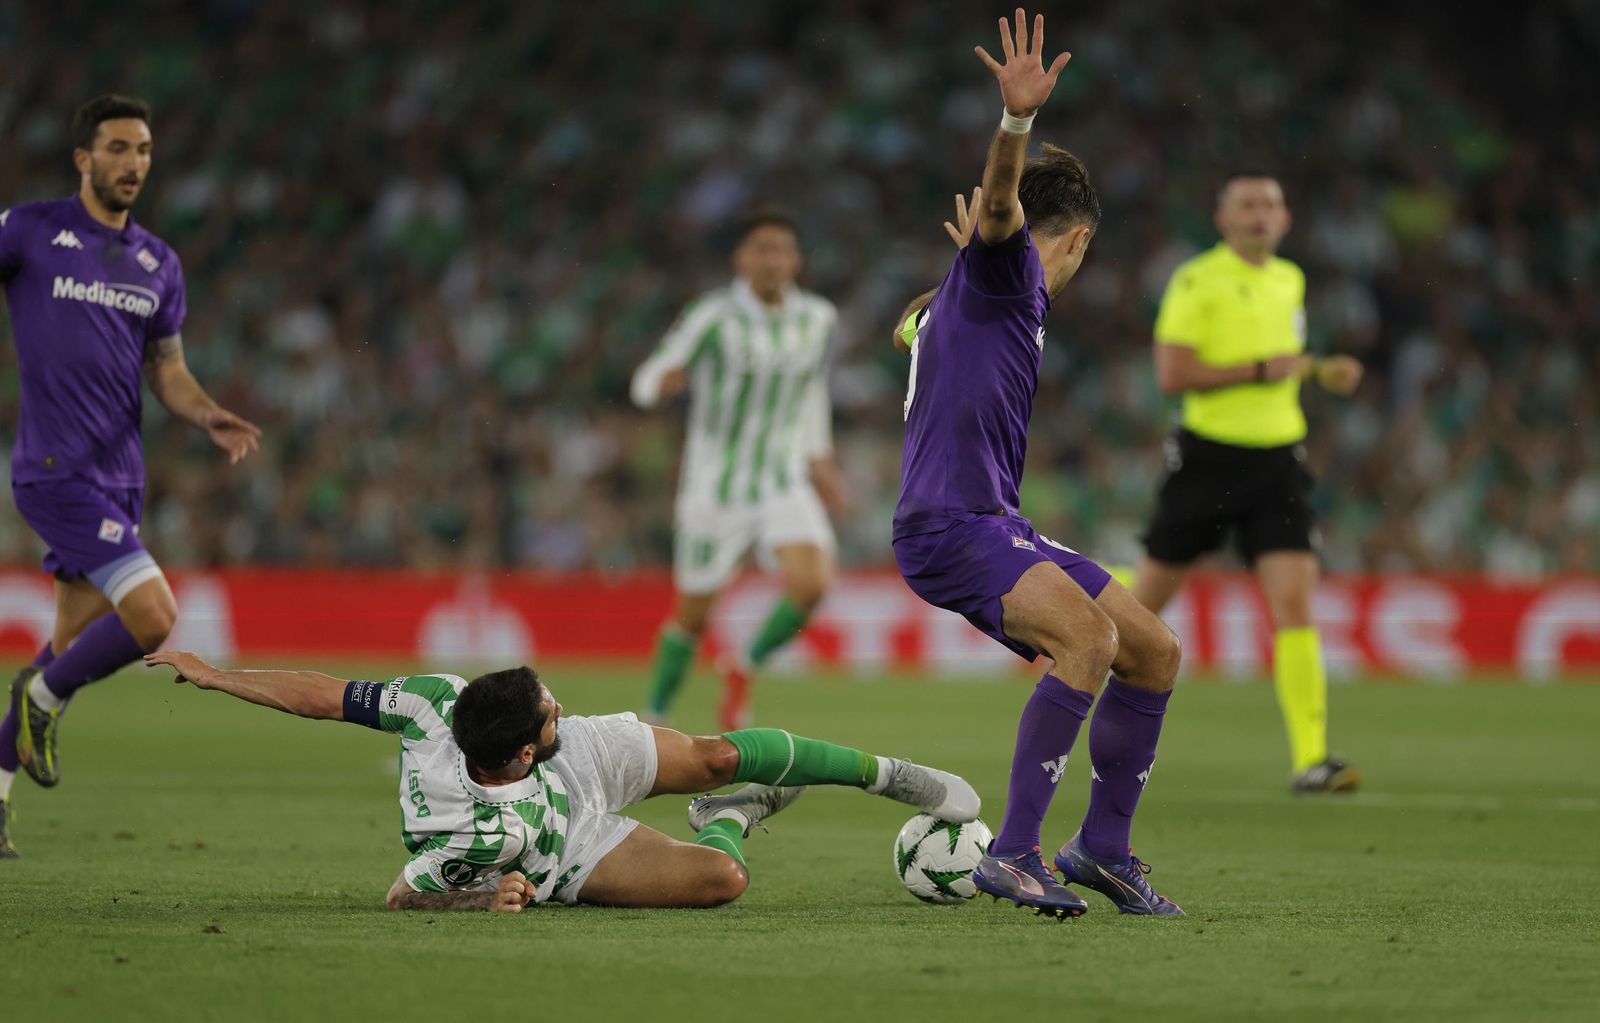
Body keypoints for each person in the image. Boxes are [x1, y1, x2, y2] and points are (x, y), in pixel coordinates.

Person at [890, 10, 1183, 919]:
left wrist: (957, 282)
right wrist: (1014, 124)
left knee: (1152, 649)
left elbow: (910, 324)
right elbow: (1006, 204)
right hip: (951, 525)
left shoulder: (972, 291)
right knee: (1088, 641)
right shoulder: (1011, 268)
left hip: (996, 520)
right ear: (1080, 240)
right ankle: (1013, 851)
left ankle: (1101, 847)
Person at [141, 650, 978, 911]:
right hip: (563, 846)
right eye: (550, 712)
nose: (561, 706)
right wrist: (491, 900)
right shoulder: (483, 838)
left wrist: (219, 674)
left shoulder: (438, 701)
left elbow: (323, 697)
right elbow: (404, 897)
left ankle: (887, 775)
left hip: (566, 771)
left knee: (721, 749)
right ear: (516, 755)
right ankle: (728, 818)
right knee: (721, 877)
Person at [0, 95, 262, 858]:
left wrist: (207, 411)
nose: (134, 163)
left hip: (121, 481)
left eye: (144, 149)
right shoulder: (31, 230)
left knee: (69, 642)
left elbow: (168, 372)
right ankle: (44, 695)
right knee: (154, 617)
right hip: (56, 471)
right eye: (118, 148)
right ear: (84, 158)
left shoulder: (158, 262)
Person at [1131, 174, 1364, 794]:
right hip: (1207, 461)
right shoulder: (1195, 280)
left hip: (1277, 464)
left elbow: (1281, 363)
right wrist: (1264, 370)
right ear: (1222, 218)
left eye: (1271, 205)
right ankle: (1066, 642)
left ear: (1286, 219)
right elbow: (1173, 375)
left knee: (1293, 604)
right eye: (1248, 205)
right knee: (1140, 607)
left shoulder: (1290, 279)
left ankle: (1311, 759)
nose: (1261, 214)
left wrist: (1316, 370)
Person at [631, 212, 848, 731]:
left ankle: (742, 666)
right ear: (741, 259)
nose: (771, 260)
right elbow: (650, 373)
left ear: (795, 260)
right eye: (760, 249)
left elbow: (810, 392)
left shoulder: (818, 318)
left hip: (781, 479)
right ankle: (653, 717)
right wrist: (658, 386)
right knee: (693, 614)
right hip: (715, 487)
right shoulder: (713, 315)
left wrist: (820, 460)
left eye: (781, 249)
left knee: (813, 582)